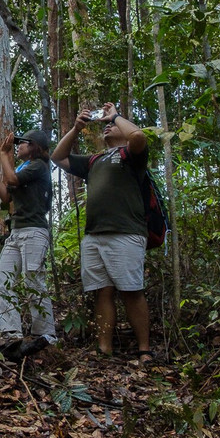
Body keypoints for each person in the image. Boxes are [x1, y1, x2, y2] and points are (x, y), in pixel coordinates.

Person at [51, 103, 152, 363]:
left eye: (112, 125)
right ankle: (104, 350)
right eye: (106, 124)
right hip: (94, 234)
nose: (107, 126)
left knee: (131, 290)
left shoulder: (132, 153)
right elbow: (58, 157)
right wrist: (76, 128)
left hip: (126, 231)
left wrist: (116, 115)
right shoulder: (94, 159)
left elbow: (139, 136)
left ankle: (145, 351)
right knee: (102, 292)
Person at [0, 130, 57, 360]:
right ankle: (11, 332)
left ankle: (46, 335)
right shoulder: (25, 168)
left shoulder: (39, 166)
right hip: (16, 231)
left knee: (33, 279)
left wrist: (4, 153)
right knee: (2, 279)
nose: (19, 146)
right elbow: (6, 195)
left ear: (35, 147)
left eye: (24, 143)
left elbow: (12, 180)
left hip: (34, 231)